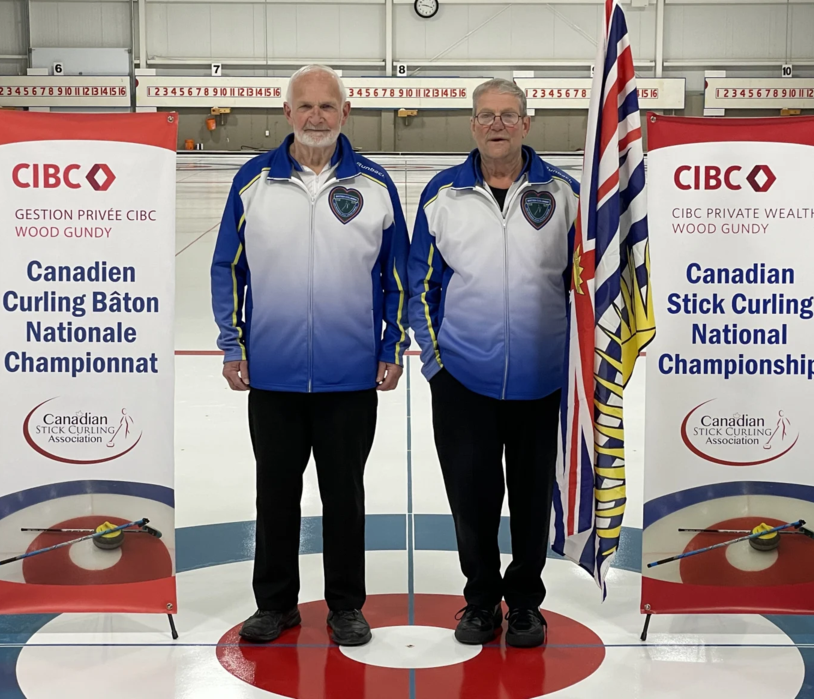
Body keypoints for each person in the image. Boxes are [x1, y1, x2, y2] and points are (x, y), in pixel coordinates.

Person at [210, 64, 410, 647]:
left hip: (350, 377)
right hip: (273, 374)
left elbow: (396, 278)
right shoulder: (252, 181)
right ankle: (276, 605)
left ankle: (346, 605)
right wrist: (232, 343)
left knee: (343, 495)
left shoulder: (375, 186)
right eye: (305, 106)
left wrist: (391, 345)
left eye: (328, 106)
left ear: (345, 113)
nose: (316, 116)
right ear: (287, 114)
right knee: (275, 493)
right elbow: (228, 266)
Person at [408, 78, 579, 648]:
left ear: (528, 124)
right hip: (464, 381)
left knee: (533, 502)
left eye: (509, 115)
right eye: (487, 115)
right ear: (473, 125)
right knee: (472, 500)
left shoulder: (565, 194)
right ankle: (480, 601)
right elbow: (421, 286)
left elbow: (586, 284)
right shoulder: (442, 194)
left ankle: (526, 602)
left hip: (544, 381)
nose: (498, 124)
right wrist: (436, 364)